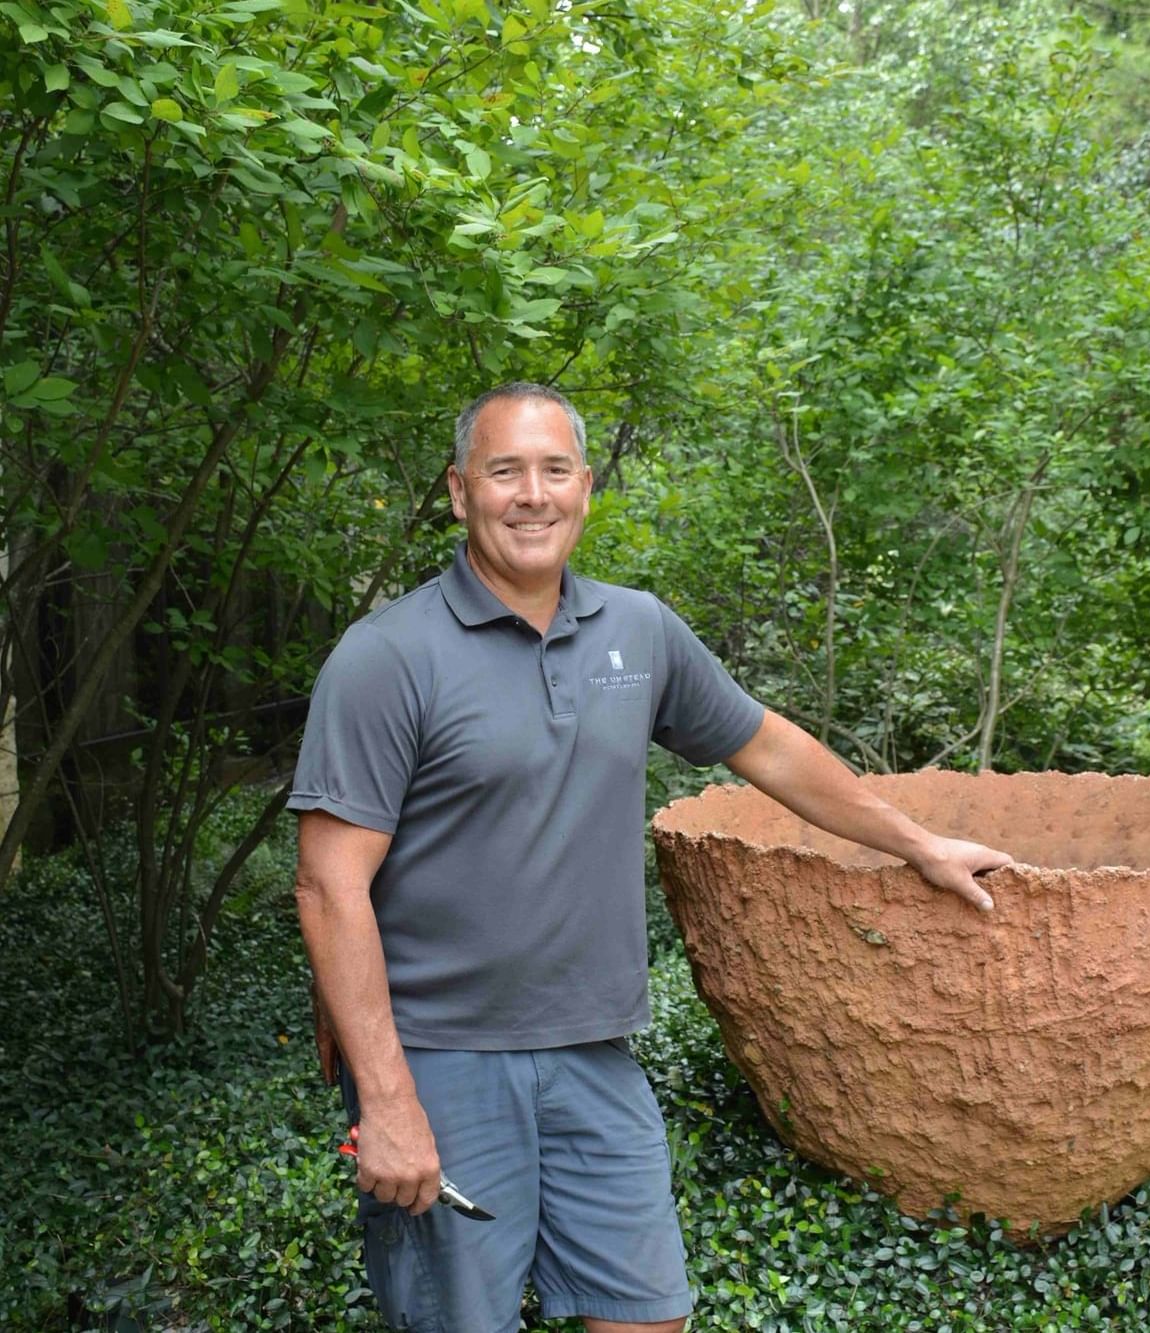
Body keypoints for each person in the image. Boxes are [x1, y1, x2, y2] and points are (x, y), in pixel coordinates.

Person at [290, 382, 1012, 1333]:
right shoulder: (386, 657)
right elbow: (327, 884)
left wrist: (918, 844)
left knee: (646, 1314)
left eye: (554, 470)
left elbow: (769, 747)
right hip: (443, 1057)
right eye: (505, 471)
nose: (532, 494)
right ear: (460, 491)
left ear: (586, 488)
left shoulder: (637, 631)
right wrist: (385, 1099)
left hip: (595, 1048)